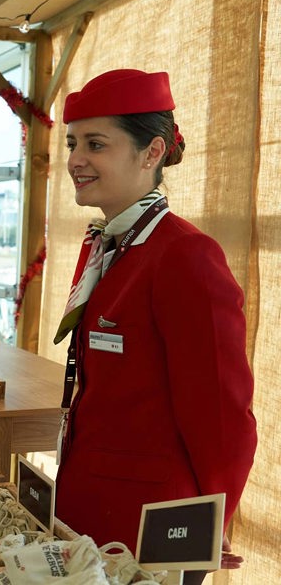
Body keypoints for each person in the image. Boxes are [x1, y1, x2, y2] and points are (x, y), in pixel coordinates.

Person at [53, 69, 257, 583]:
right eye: (73, 142)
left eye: (96, 144)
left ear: (151, 152)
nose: (76, 159)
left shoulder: (185, 255)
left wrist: (215, 514)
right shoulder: (103, 247)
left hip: (151, 526)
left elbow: (221, 413)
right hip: (88, 508)